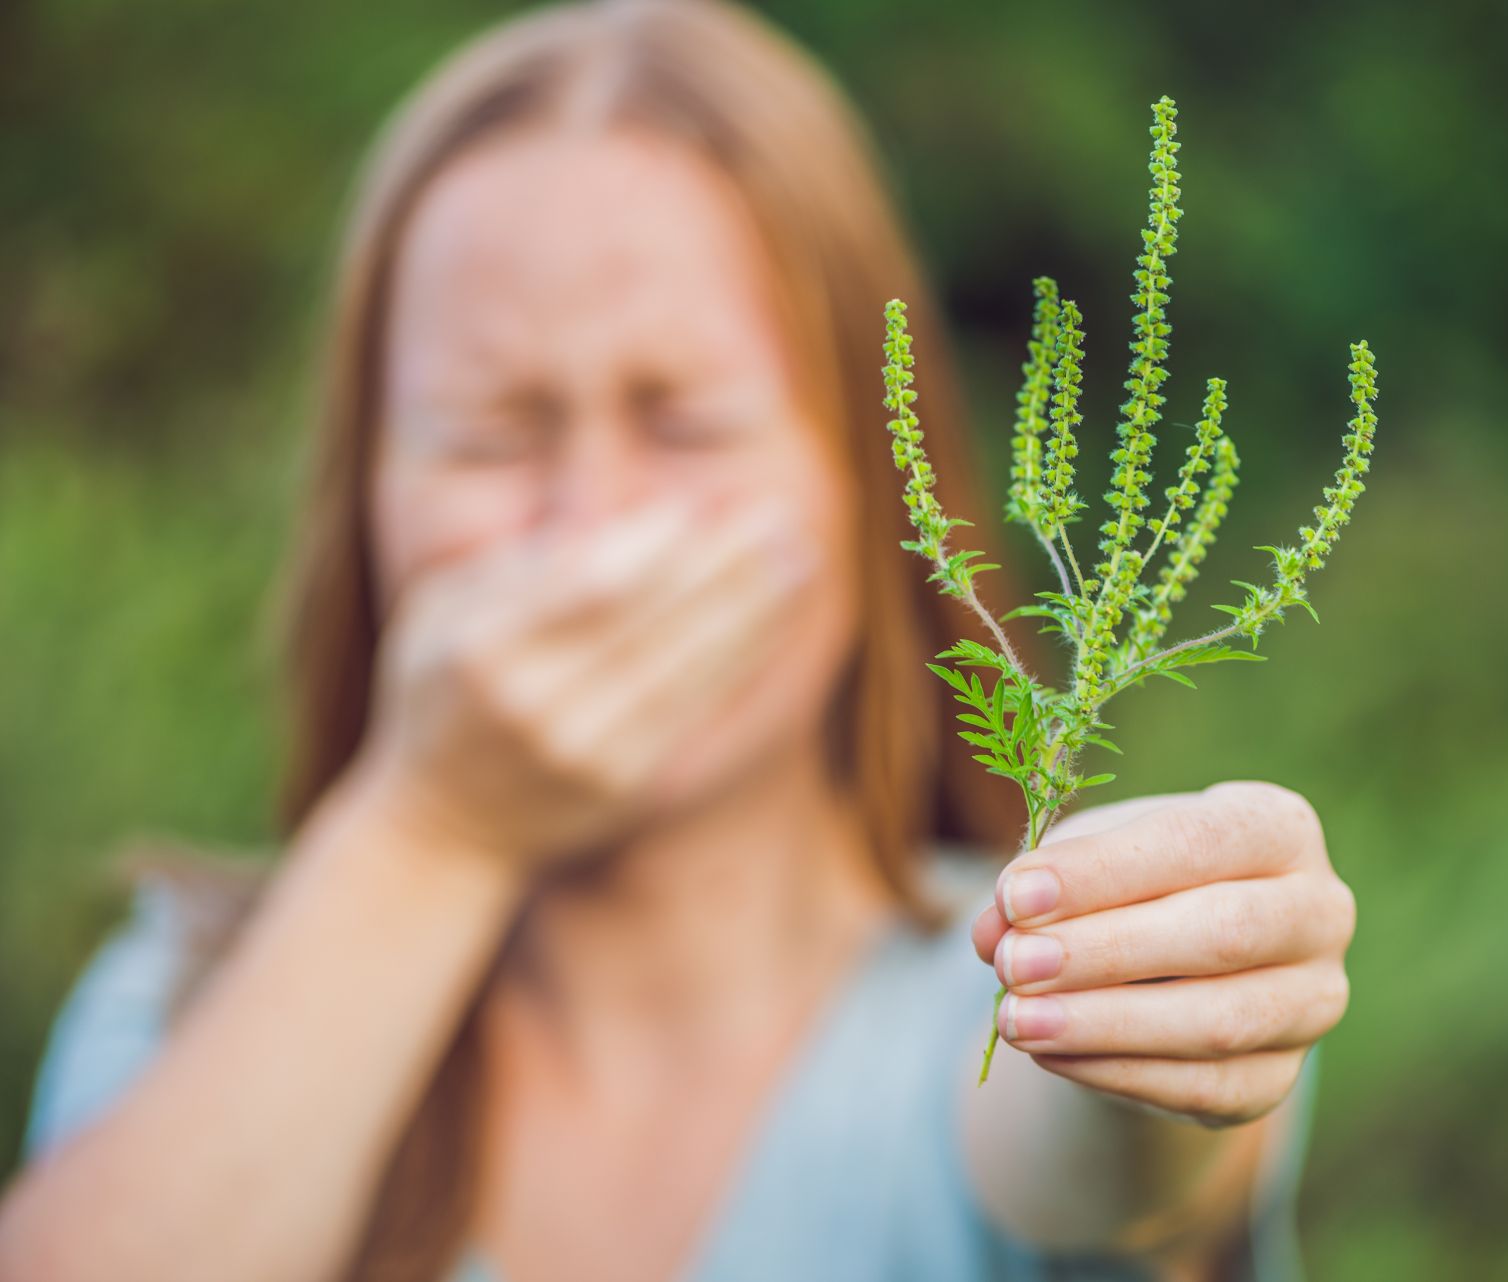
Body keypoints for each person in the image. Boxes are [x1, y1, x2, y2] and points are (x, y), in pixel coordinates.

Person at [0, 2, 1356, 1279]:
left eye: (687, 422)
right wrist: (434, 828)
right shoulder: (189, 1004)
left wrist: (1164, 1041)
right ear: (364, 500)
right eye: (490, 431)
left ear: (872, 482)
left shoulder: (977, 993)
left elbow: (1112, 1166)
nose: (592, 526)